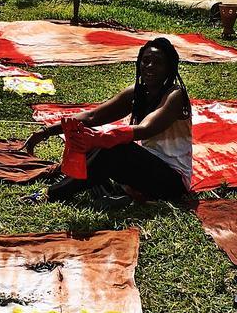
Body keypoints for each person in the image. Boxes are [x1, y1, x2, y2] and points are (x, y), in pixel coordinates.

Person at [24, 37, 193, 204]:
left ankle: (53, 194)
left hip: (172, 181)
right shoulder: (137, 92)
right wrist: (45, 132)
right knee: (86, 137)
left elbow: (146, 128)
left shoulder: (175, 95)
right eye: (146, 61)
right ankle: (114, 194)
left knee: (113, 147)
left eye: (157, 62)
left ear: (169, 68)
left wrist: (103, 139)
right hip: (146, 167)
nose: (149, 66)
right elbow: (91, 117)